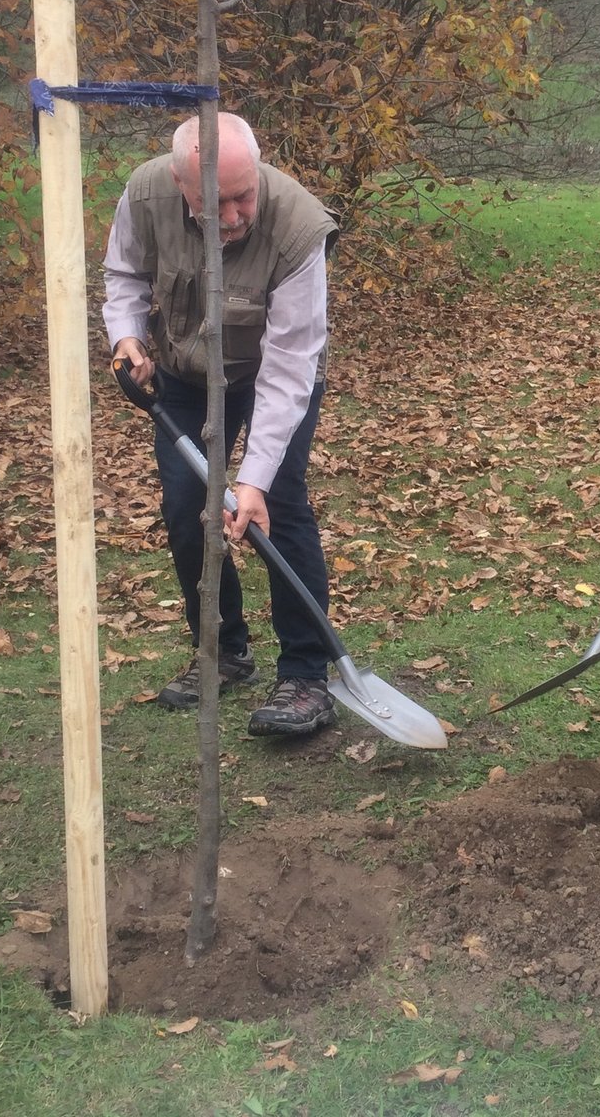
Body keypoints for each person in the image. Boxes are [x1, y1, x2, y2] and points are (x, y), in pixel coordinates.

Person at [103, 111, 339, 738]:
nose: (234, 215)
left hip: (273, 372)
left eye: (244, 196)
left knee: (280, 506)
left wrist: (253, 480)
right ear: (181, 184)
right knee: (186, 508)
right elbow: (124, 272)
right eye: (216, 203)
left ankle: (307, 674)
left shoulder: (299, 226)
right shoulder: (146, 192)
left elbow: (290, 369)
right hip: (184, 373)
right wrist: (126, 336)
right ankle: (225, 650)